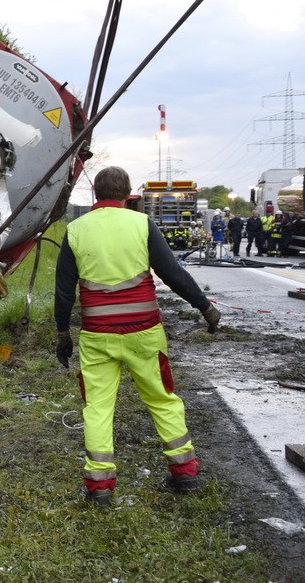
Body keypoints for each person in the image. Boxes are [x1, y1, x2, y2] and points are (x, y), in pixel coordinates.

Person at [54, 166, 221, 506]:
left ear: (96, 196)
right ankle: (185, 472)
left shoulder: (76, 230)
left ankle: (99, 488)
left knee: (98, 408)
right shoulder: (142, 224)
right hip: (144, 333)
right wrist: (205, 308)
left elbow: (63, 292)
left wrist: (62, 333)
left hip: (97, 336)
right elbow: (172, 273)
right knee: (162, 399)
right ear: (128, 193)